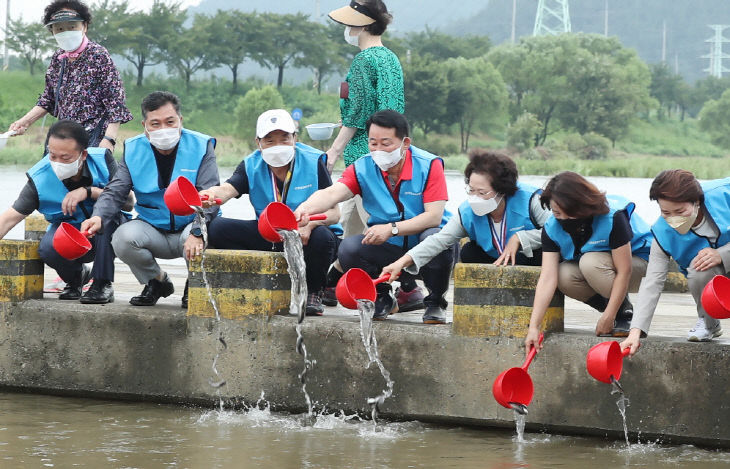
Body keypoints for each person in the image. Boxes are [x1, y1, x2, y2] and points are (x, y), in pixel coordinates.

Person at [295, 110, 454, 324]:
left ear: (405, 143)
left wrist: (392, 228)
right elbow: (332, 193)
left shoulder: (429, 164)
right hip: (388, 247)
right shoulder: (362, 167)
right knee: (349, 249)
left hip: (425, 249)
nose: (378, 150)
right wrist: (305, 208)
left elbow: (433, 217)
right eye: (373, 143)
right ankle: (381, 296)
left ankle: (435, 302)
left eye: (386, 144)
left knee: (437, 237)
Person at [81, 92, 219, 307]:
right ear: (145, 126)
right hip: (153, 227)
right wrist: (98, 216)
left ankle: (194, 285)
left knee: (208, 232)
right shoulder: (134, 148)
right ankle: (157, 281)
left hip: (190, 227)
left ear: (180, 121)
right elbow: (115, 190)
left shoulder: (202, 145)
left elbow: (210, 195)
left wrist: (197, 231)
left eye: (170, 122)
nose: (163, 129)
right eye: (155, 123)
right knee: (122, 238)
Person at [199, 110, 342, 316]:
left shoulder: (314, 161)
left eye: (284, 139)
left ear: (295, 138)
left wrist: (310, 224)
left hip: (308, 237)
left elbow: (335, 214)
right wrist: (210, 194)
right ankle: (249, 281)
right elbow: (227, 189)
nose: (278, 145)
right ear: (258, 142)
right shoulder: (251, 164)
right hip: (271, 235)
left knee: (323, 237)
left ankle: (313, 292)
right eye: (270, 140)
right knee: (217, 228)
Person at [325, 0, 407, 306]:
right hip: (392, 152)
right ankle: (335, 284)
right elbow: (389, 110)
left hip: (364, 154)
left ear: (363, 24)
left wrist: (334, 150)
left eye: (351, 23)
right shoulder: (390, 59)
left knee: (369, 225)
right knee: (354, 226)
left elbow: (357, 114)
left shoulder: (363, 61)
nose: (348, 29)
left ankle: (403, 289)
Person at [0, 120, 127, 303]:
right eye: (52, 155)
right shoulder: (40, 178)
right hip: (71, 233)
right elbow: (8, 219)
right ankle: (75, 279)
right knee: (48, 248)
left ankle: (102, 283)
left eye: (65, 158)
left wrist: (89, 192)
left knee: (106, 222)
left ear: (83, 154)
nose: (57, 163)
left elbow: (128, 202)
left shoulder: (102, 160)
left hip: (107, 230)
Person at [525, 172, 653, 350]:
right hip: (601, 268)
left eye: (570, 213)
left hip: (640, 265)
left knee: (590, 262)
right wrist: (533, 327)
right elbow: (547, 277)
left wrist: (608, 317)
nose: (563, 219)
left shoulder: (613, 218)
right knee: (563, 274)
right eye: (557, 213)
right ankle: (615, 309)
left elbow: (625, 271)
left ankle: (623, 312)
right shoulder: (551, 228)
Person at [381, 149, 549, 282]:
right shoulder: (467, 212)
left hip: (528, 259)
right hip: (496, 261)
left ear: (502, 191)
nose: (475, 197)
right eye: (471, 190)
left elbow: (555, 232)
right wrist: (400, 263)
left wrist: (520, 238)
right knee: (469, 252)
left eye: (482, 192)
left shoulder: (533, 200)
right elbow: (438, 240)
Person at [621, 171, 730, 353]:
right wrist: (635, 332)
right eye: (666, 212)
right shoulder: (662, 232)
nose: (673, 218)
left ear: (697, 202)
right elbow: (652, 282)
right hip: (716, 279)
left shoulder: (724, 195)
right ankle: (709, 323)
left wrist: (722, 254)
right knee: (699, 267)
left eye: (680, 211)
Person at [7, 0, 132, 150]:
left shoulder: (98, 55)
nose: (65, 32)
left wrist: (109, 139)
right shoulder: (58, 59)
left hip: (92, 139)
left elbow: (115, 101)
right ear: (52, 31)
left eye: (71, 27)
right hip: (64, 138)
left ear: (84, 26)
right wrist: (25, 121)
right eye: (59, 28)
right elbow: (49, 99)